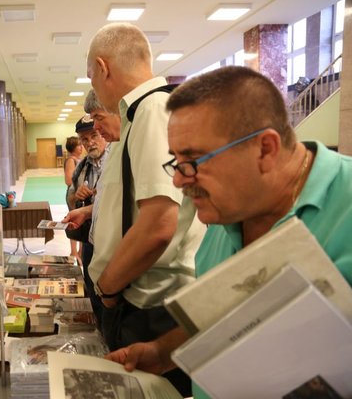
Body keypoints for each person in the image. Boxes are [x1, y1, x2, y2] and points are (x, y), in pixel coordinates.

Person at [106, 66, 352, 398]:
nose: (178, 180)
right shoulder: (224, 217)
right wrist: (163, 353)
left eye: (193, 160)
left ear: (265, 149)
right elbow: (229, 318)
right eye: (175, 162)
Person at [68, 22, 205, 395]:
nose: (93, 85)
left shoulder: (152, 111)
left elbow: (160, 222)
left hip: (150, 308)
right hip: (138, 302)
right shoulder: (136, 117)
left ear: (103, 67)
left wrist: (109, 287)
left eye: (90, 76)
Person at [66, 113, 110, 323]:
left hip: (112, 237)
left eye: (93, 135)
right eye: (84, 139)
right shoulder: (82, 167)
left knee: (109, 286)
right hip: (90, 236)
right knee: (91, 282)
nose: (89, 142)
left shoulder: (117, 161)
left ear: (103, 133)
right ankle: (98, 323)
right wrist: (77, 195)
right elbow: (70, 199)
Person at [64, 136, 83, 259]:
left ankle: (81, 251)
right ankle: (73, 251)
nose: (81, 147)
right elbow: (68, 180)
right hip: (74, 195)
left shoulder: (80, 159)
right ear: (73, 148)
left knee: (83, 221)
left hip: (81, 193)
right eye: (79, 145)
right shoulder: (71, 160)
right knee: (74, 220)